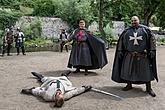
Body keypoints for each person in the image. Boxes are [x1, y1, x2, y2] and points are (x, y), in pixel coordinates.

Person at [111, 16, 158, 97]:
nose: (133, 22)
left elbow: (152, 40)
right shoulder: (126, 31)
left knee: (146, 72)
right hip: (129, 55)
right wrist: (119, 50)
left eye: (135, 20)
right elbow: (121, 41)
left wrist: (152, 50)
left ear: (138, 20)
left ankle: (148, 88)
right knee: (128, 71)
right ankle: (129, 85)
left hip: (143, 55)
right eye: (132, 20)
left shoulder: (146, 30)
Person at [21, 72, 92, 107]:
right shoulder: (65, 96)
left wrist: (30, 91)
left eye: (59, 95)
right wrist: (84, 88)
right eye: (61, 94)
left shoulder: (47, 96)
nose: (59, 93)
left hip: (51, 82)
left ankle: (39, 76)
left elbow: (39, 92)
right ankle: (65, 74)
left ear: (55, 99)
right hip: (63, 82)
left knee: (43, 79)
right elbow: (75, 92)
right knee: (65, 77)